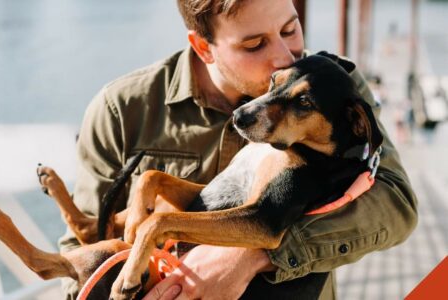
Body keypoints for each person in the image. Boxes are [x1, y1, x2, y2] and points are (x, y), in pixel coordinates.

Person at [59, 0, 418, 299]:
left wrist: (255, 254)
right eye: (254, 45)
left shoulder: (334, 86)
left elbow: (396, 206)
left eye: (290, 30)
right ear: (203, 47)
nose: (284, 57)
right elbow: (76, 254)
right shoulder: (120, 110)